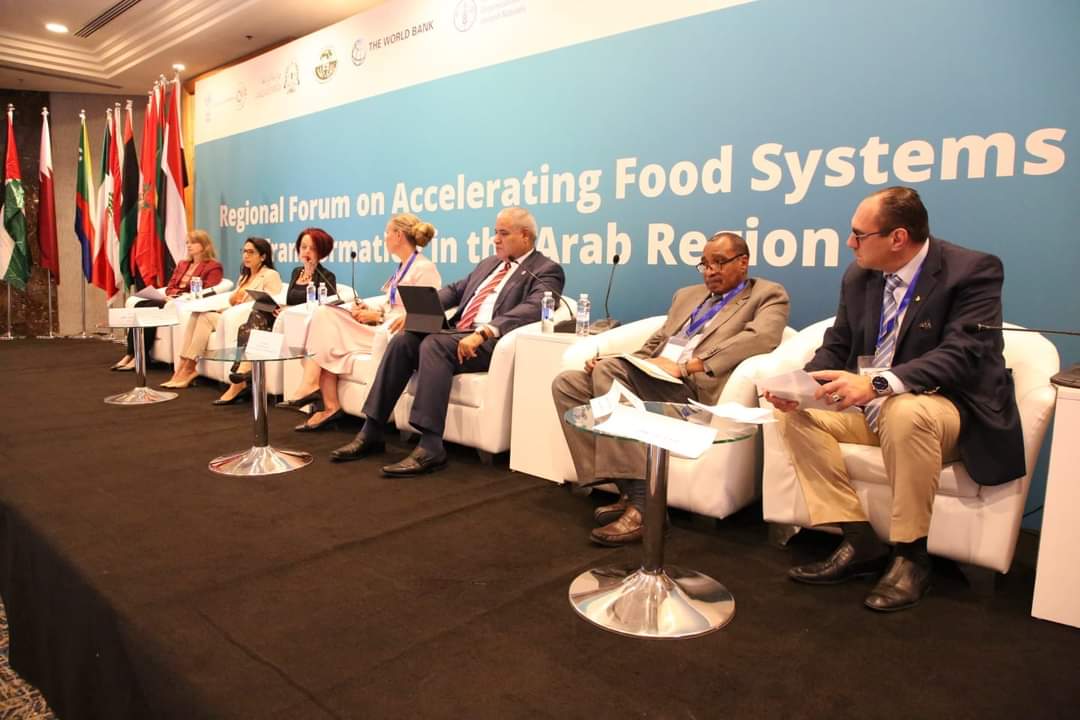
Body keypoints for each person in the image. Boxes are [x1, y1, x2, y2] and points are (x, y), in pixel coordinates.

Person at [764, 186, 1024, 612]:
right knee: (794, 417)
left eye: (858, 234)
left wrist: (879, 385)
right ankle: (858, 539)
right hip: (875, 410)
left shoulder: (972, 271)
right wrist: (801, 387)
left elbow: (962, 353)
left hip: (948, 410)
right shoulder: (859, 276)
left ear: (898, 237)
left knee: (905, 412)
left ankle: (910, 555)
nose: (850, 243)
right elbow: (838, 343)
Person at [552, 232, 790, 546]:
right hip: (654, 377)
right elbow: (657, 342)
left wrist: (689, 365)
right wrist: (621, 361)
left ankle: (644, 507)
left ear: (743, 262)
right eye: (705, 264)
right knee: (567, 384)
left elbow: (760, 338)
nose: (710, 271)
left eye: (719, 263)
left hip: (693, 388)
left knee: (610, 374)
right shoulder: (687, 296)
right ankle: (628, 488)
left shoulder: (767, 295)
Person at [329, 207, 564, 475]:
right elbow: (454, 291)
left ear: (525, 236)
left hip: (490, 342)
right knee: (404, 340)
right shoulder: (490, 264)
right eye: (495, 232)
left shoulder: (546, 270)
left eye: (503, 233)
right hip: (458, 333)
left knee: (434, 344)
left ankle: (431, 447)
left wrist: (485, 332)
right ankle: (371, 430)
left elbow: (533, 308)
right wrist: (416, 312)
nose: (495, 239)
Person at [287, 213, 442, 431]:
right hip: (381, 326)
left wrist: (378, 317)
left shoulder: (423, 268)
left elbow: (422, 315)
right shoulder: (402, 266)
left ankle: (321, 397)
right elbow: (392, 305)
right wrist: (370, 310)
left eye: (387, 233)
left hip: (395, 335)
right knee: (324, 314)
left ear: (398, 235)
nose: (385, 237)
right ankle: (320, 394)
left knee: (329, 334)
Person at [214, 228, 337, 405]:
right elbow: (291, 300)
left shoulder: (326, 276)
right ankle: (243, 371)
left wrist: (311, 276)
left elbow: (323, 305)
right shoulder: (296, 272)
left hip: (303, 323)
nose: (306, 252)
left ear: (321, 252)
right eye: (303, 247)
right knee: (257, 313)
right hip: (285, 319)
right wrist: (282, 309)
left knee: (249, 325)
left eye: (312, 248)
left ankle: (242, 372)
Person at [162, 237, 283, 389]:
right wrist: (228, 305)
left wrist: (238, 306)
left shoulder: (270, 275)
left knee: (204, 317)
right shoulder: (244, 276)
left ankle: (189, 368)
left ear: (263, 256)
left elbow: (272, 302)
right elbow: (233, 300)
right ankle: (182, 367)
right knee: (196, 314)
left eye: (251, 252)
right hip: (230, 315)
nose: (246, 256)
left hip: (247, 321)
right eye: (244, 251)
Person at [110, 230, 223, 371]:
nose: (189, 246)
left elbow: (207, 290)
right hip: (171, 299)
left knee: (149, 309)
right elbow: (171, 286)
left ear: (204, 245)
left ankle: (138, 356)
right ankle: (131, 354)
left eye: (193, 243)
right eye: (187, 242)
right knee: (140, 305)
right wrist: (171, 296)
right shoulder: (183, 264)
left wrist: (180, 296)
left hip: (187, 303)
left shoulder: (213, 266)